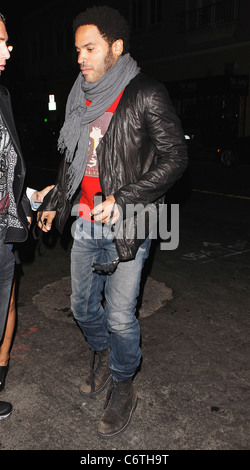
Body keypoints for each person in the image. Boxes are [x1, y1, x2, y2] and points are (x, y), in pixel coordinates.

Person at [39, 5, 188, 437]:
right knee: (82, 307)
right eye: (78, 50)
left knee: (121, 316)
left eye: (91, 48)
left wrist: (125, 198)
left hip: (131, 222)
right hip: (85, 221)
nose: (81, 58)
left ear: (115, 47)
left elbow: (176, 157)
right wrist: (57, 200)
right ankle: (104, 353)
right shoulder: (79, 95)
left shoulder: (144, 92)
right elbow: (73, 157)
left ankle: (124, 384)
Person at [0, 12, 53, 420]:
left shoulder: (2, 98)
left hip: (4, 236)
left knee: (5, 308)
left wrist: (31, 197)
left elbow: (7, 176)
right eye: (0, 40)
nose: (9, 48)